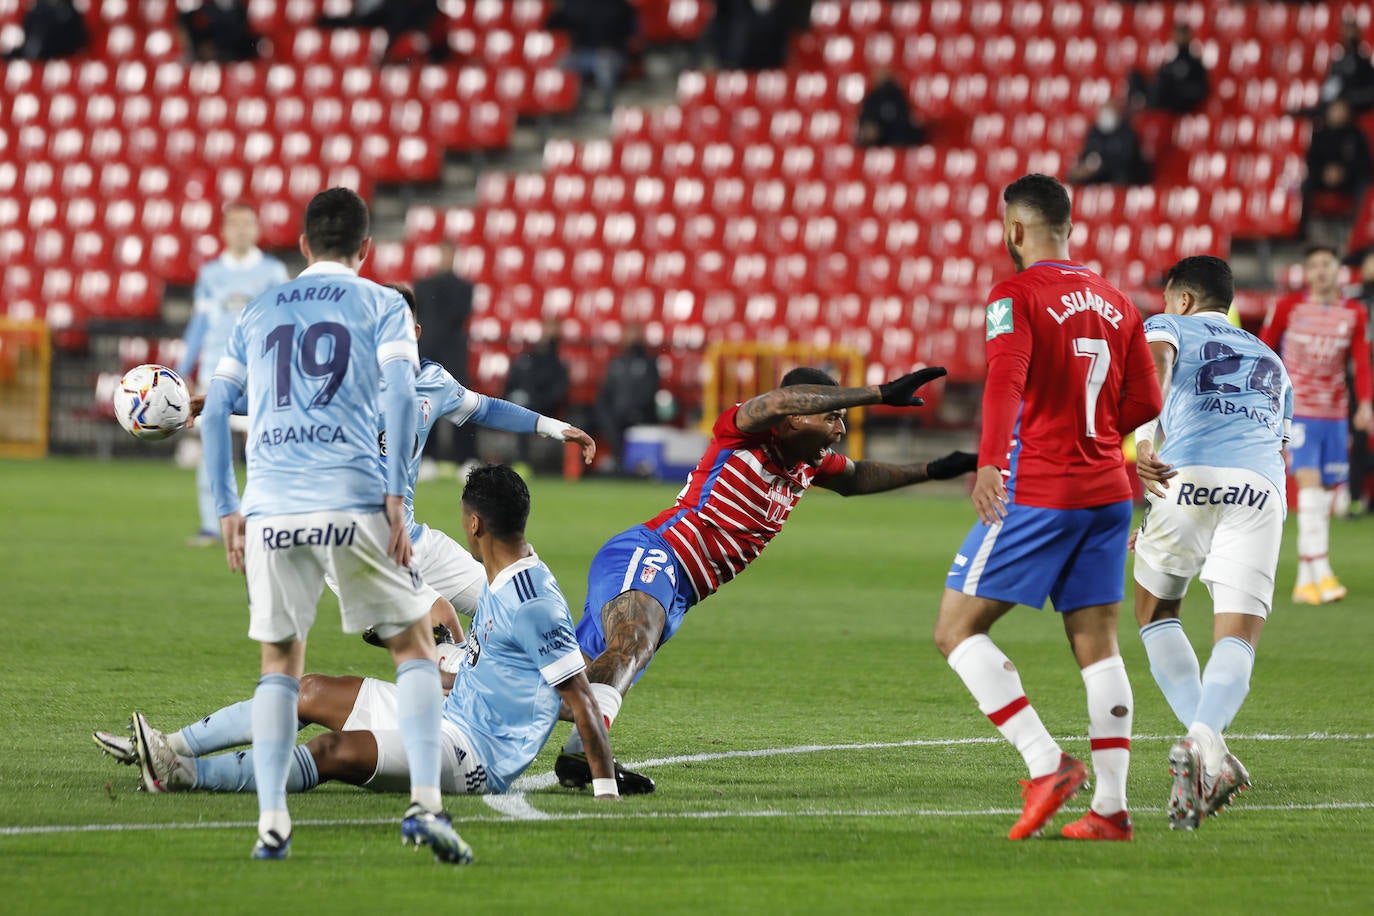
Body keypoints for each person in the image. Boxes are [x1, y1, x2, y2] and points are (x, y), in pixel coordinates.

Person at [554, 365, 978, 792]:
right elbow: (778, 401)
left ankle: (572, 751)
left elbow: (858, 477)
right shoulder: (745, 433)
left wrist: (934, 469)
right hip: (655, 553)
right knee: (631, 645)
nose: (840, 428)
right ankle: (592, 764)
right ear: (797, 416)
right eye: (832, 415)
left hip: (683, 590)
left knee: (582, 677)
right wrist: (877, 392)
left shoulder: (809, 465)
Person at [198, 188, 466, 863]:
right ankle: (427, 807)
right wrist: (398, 495)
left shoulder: (257, 308)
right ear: (366, 249)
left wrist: (226, 507)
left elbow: (213, 411)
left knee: (281, 665)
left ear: (302, 245)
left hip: (271, 506)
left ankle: (271, 822)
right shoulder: (382, 304)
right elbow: (403, 394)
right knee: (412, 649)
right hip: (352, 497)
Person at [109, 465, 623, 808]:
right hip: (449, 713)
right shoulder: (500, 578)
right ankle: (165, 745)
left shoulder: (532, 600)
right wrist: (443, 657)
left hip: (472, 755)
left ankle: (183, 774)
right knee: (307, 690)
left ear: (473, 523)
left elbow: (577, 697)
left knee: (335, 752)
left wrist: (605, 794)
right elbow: (502, 672)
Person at [933, 174, 1163, 843]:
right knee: (1097, 645)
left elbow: (1004, 378)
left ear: (1014, 229)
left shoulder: (1015, 292)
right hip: (1107, 494)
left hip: (1041, 488)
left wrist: (989, 463)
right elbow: (1146, 404)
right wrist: (1094, 435)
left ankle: (1046, 763)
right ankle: (1112, 810)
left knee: (956, 629)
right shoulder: (1117, 301)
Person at [1133, 256, 1293, 830]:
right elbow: (1281, 443)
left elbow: (1154, 362)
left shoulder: (1169, 324)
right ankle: (1207, 745)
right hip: (1262, 488)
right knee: (1239, 634)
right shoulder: (1272, 358)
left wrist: (1144, 442)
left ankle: (1210, 753)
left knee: (1155, 612)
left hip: (1186, 476)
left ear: (1180, 298)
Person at [1259, 245, 1373, 604]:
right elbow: (1264, 349)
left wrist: (1365, 403)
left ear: (1338, 270)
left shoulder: (1353, 311)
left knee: (1324, 495)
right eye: (1313, 266)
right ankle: (1320, 567)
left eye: (1326, 264)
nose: (1320, 271)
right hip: (1299, 411)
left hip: (1335, 414)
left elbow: (1360, 360)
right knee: (1308, 489)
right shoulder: (1290, 306)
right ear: (1306, 273)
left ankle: (1306, 582)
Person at [177, 203, 291, 548]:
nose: (242, 230)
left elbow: (287, 320)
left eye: (248, 224)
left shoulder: (273, 272)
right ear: (224, 231)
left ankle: (262, 519)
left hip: (260, 368)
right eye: (235, 224)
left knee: (260, 443)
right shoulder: (211, 274)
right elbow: (200, 323)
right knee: (212, 441)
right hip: (216, 367)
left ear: (256, 229)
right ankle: (212, 523)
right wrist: (184, 368)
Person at [412, 243, 475, 470]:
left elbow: (458, 314)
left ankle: (465, 459)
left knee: (461, 401)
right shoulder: (423, 285)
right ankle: (427, 456)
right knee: (427, 404)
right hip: (429, 351)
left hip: (454, 354)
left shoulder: (463, 287)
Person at [1301, 100, 1372, 249]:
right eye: (1334, 110)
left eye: (1341, 110)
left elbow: (1364, 163)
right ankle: (1302, 233)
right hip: (1322, 178)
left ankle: (1355, 232)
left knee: (1364, 189)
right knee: (1305, 186)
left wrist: (1343, 173)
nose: (1337, 114)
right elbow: (1311, 160)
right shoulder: (1320, 134)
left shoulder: (1356, 134)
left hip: (1350, 179)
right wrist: (1323, 173)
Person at [547, 0, 639, 114]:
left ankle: (607, 106)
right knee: (561, 64)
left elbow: (633, 35)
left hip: (613, 54)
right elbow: (554, 24)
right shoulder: (576, 4)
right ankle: (567, 108)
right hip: (583, 54)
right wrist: (557, 10)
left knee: (604, 63)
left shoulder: (619, 5)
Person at [505, 318, 571, 472]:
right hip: (518, 406)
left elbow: (557, 394)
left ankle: (522, 462)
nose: (548, 334)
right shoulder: (525, 359)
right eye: (547, 328)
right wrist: (513, 397)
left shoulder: (558, 364)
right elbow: (509, 385)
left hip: (544, 408)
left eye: (553, 330)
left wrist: (535, 402)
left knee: (524, 412)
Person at [593, 324, 659, 472]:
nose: (632, 339)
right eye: (629, 334)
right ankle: (616, 463)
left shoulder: (648, 363)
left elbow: (649, 392)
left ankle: (625, 466)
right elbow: (605, 392)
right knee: (602, 419)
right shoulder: (616, 363)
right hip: (616, 415)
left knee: (626, 420)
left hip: (639, 414)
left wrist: (635, 409)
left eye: (635, 334)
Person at [1129, 22, 1209, 115]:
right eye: (1177, 34)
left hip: (1180, 103)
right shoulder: (1170, 61)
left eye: (1182, 34)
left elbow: (1200, 90)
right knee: (1135, 75)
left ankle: (1148, 105)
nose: (1179, 38)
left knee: (1162, 86)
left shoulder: (1195, 63)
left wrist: (1178, 88)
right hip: (1163, 98)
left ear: (1189, 36)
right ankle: (1140, 104)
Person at [1067, 101, 1150, 187]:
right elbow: (1087, 153)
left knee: (1121, 177)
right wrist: (1084, 168)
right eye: (1104, 112)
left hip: (1121, 175)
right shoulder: (1094, 132)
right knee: (1075, 177)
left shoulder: (1127, 132)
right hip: (1099, 174)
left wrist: (1098, 165)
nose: (1106, 116)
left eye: (1110, 111)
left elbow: (1126, 159)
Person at [856, 68, 925, 148]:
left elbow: (907, 121)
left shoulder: (898, 97)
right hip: (878, 144)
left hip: (899, 142)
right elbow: (867, 127)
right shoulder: (872, 99)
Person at [176, 1, 261, 62]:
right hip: (202, 54)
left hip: (235, 54)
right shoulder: (204, 10)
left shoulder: (238, 9)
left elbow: (240, 32)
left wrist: (216, 47)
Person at [2, 0, 87, 61]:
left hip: (60, 59)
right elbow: (29, 43)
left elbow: (78, 41)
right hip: (36, 59)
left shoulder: (70, 11)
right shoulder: (36, 10)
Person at [1322, 19, 1374, 114]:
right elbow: (1327, 92)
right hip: (1335, 109)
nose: (1347, 38)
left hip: (1354, 110)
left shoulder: (1364, 63)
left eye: (1351, 35)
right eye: (1345, 34)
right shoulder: (1336, 64)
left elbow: (1370, 93)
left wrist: (1347, 100)